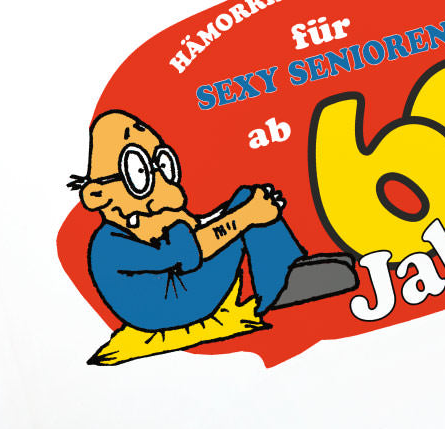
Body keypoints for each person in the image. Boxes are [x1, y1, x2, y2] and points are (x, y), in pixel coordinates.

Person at [70, 109, 356, 363]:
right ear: (97, 194)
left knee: (245, 199)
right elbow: (191, 251)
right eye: (139, 170)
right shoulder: (110, 245)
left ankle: (291, 268)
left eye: (161, 163)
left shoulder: (154, 218)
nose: (159, 178)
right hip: (175, 304)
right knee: (244, 213)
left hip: (181, 286)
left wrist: (242, 212)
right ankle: (280, 287)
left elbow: (195, 232)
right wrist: (247, 216)